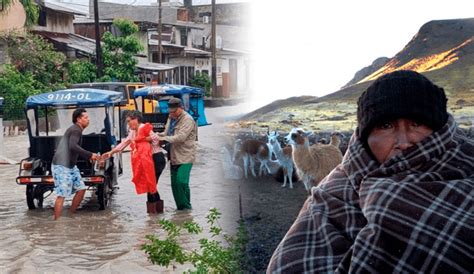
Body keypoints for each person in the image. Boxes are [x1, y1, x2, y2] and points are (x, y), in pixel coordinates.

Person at [267, 70, 474, 273]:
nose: (403, 142)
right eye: (385, 126)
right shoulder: (333, 195)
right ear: (365, 138)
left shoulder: (466, 169)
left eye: (417, 123)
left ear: (440, 130)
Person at [103, 111, 163, 214]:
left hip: (155, 159)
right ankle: (157, 213)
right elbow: (124, 143)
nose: (128, 124)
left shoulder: (144, 128)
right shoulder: (133, 132)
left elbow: (157, 139)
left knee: (150, 186)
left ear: (136, 119)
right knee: (150, 186)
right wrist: (111, 152)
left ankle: (153, 216)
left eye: (129, 121)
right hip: (145, 161)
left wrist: (145, 139)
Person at [52, 108, 98, 220]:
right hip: (61, 166)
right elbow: (73, 146)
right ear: (78, 119)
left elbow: (74, 149)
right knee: (62, 194)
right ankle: (56, 222)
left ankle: (71, 215)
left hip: (71, 166)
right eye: (86, 118)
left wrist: (88, 156)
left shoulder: (77, 129)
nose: (88, 120)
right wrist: (89, 155)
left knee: (81, 189)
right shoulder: (76, 130)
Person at [156, 97, 197, 210]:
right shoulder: (171, 118)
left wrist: (164, 139)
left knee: (181, 182)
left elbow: (181, 137)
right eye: (170, 111)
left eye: (174, 111)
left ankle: (186, 209)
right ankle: (181, 210)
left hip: (185, 156)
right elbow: (166, 132)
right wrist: (156, 135)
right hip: (173, 156)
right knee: (175, 185)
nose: (172, 114)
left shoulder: (188, 119)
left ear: (180, 108)